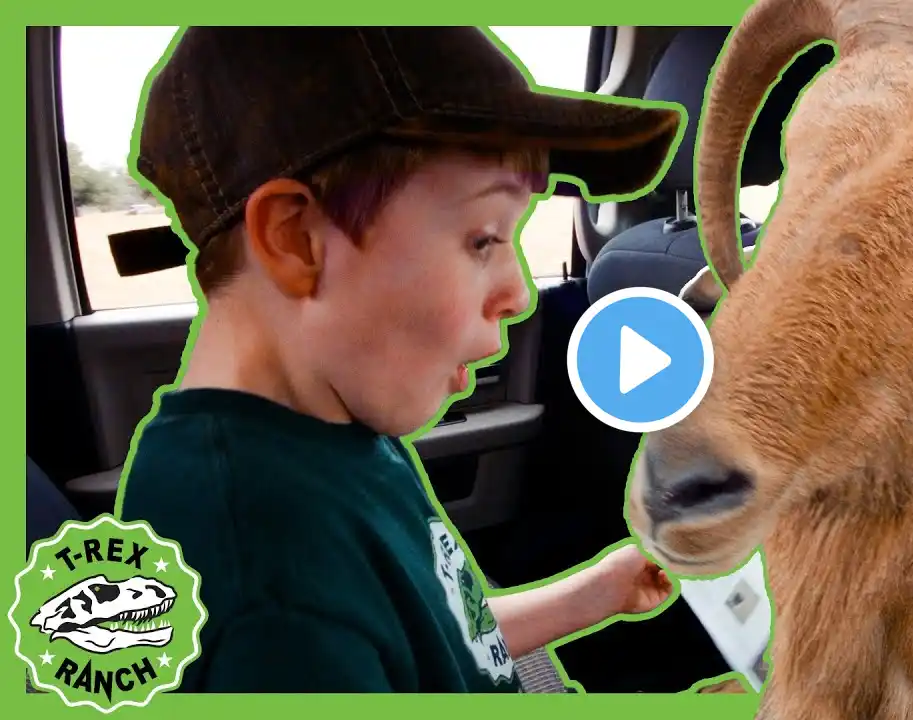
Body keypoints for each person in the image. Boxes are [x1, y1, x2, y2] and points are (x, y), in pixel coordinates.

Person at [114, 26, 685, 693]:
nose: (520, 294)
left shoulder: (329, 430)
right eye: (482, 239)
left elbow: (433, 633)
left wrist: (594, 594)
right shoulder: (275, 599)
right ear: (296, 240)